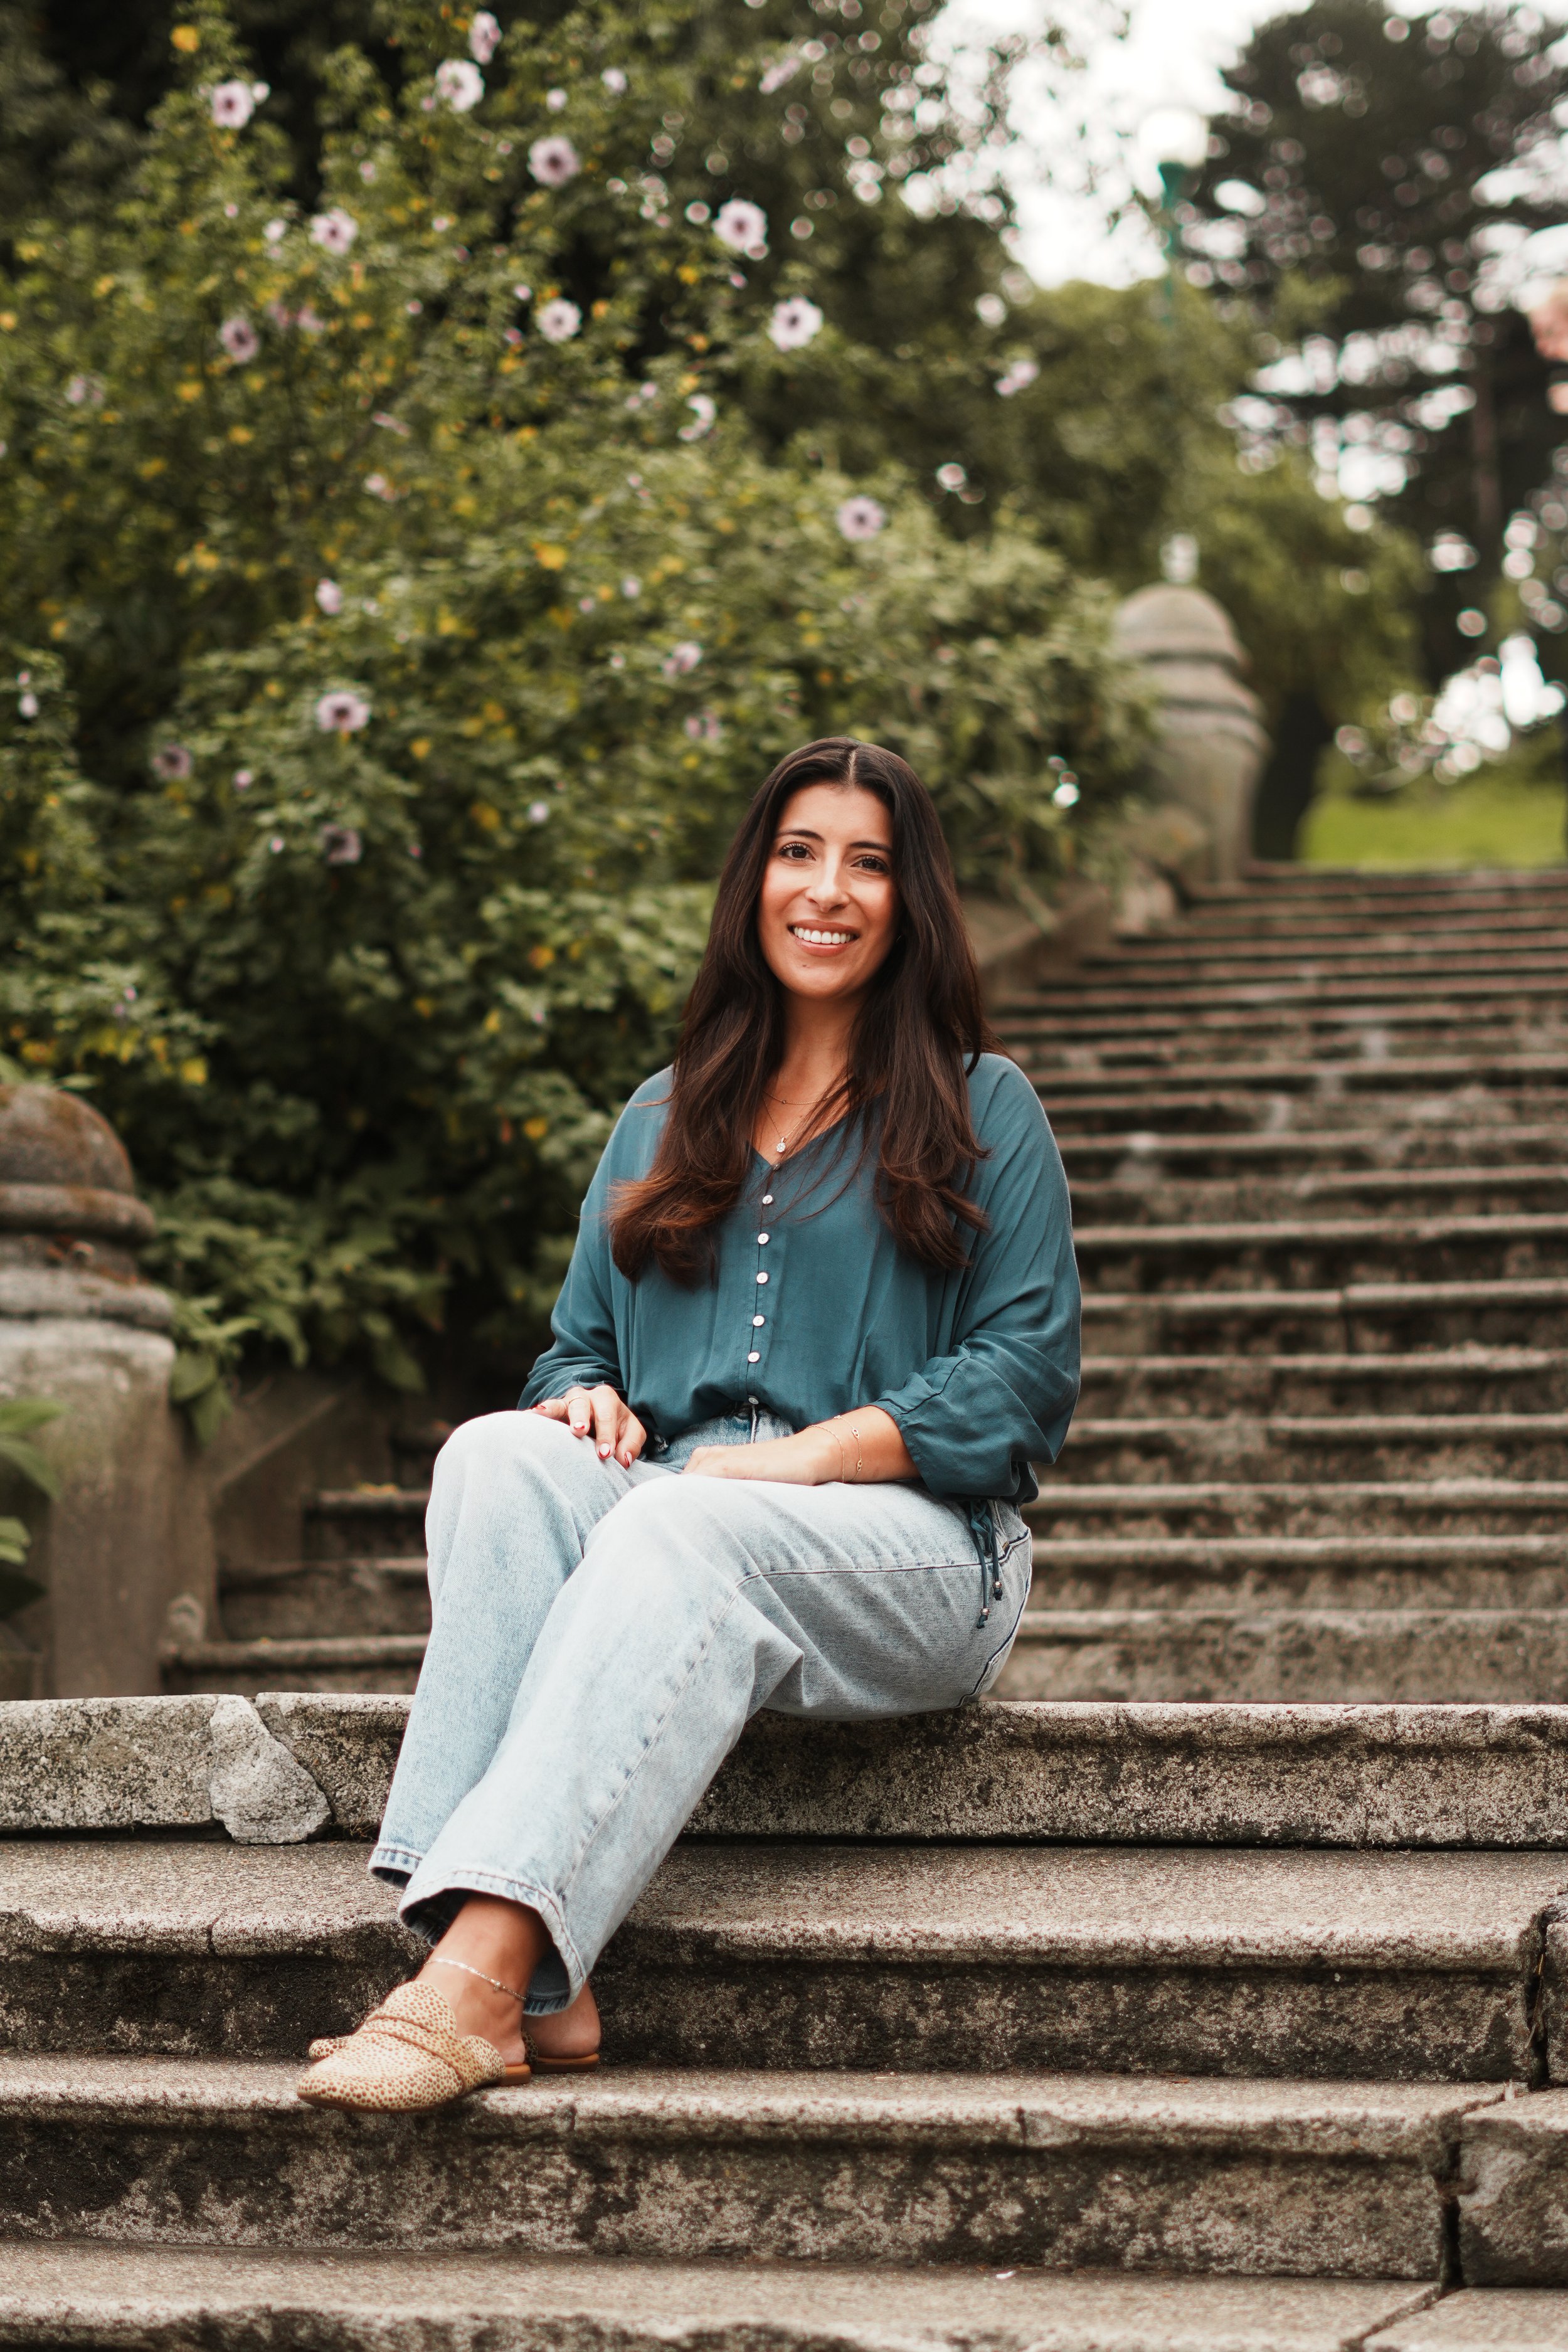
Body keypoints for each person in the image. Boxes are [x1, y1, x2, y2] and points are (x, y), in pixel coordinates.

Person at [297, 735, 1080, 2113]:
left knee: (687, 1513)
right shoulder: (659, 1117)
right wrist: (576, 1398)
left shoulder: (982, 1105)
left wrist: (800, 1456)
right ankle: (545, 1976)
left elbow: (1023, 1378)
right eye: (796, 852)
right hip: (679, 1511)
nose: (825, 889)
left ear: (911, 903)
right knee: (495, 1454)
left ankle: (479, 1981)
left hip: (920, 1556)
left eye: (867, 861)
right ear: (753, 882)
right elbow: (577, 1348)